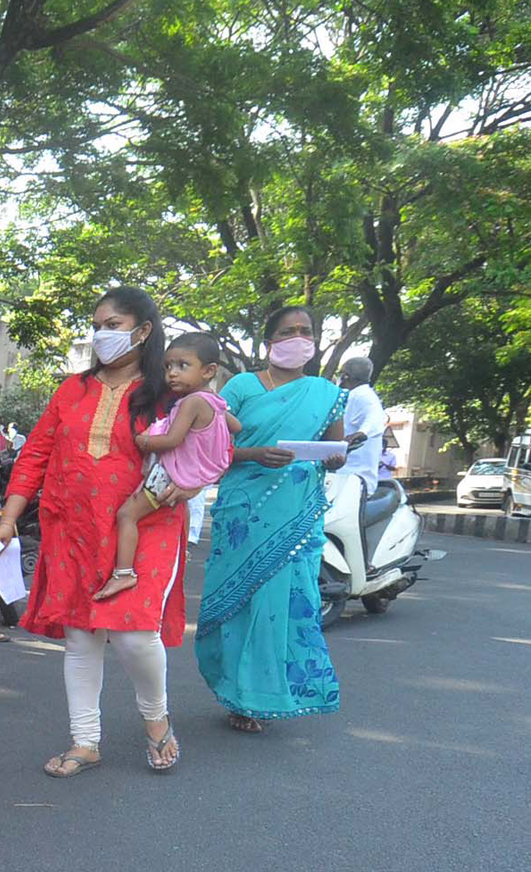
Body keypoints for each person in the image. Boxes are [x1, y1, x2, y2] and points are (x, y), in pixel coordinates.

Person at [0, 287, 194, 776]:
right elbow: (35, 454)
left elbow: (210, 444)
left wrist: (191, 484)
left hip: (146, 523)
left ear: (143, 331)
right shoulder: (72, 390)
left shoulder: (171, 392)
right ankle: (86, 741)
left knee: (135, 635)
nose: (102, 334)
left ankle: (156, 719)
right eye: (98, 324)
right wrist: (8, 518)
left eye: (114, 324)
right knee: (81, 639)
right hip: (73, 526)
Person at [196, 306, 348, 734]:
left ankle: (268, 696)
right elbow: (211, 447)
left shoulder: (325, 393)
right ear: (269, 342)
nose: (297, 338)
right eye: (287, 332)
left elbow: (334, 456)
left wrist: (335, 459)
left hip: (298, 516)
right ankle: (238, 695)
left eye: (305, 331)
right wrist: (253, 454)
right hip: (244, 512)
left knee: (285, 604)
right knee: (240, 603)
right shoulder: (242, 386)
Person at [95, 332, 240, 601]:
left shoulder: (192, 402)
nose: (172, 374)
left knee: (127, 515)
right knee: (179, 510)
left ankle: (123, 572)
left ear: (209, 370)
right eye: (168, 367)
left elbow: (172, 439)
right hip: (192, 477)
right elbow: (236, 426)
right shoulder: (215, 401)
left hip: (169, 474)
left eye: (182, 366)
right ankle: (181, 549)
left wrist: (144, 441)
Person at [336, 356, 387, 494]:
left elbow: (375, 417)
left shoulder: (364, 396)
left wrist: (362, 433)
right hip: (343, 476)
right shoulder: (353, 396)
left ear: (346, 376)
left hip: (354, 479)